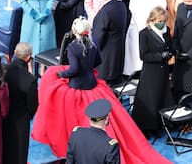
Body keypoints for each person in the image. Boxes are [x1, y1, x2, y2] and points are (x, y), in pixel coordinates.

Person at [31, 16, 172, 164]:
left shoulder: (73, 47)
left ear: (75, 31)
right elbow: (98, 61)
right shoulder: (93, 45)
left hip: (76, 86)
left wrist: (61, 74)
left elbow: (74, 69)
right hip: (92, 84)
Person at [131, 7, 173, 138]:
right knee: (150, 100)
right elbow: (144, 55)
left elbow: (170, 46)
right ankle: (146, 127)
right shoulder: (144, 33)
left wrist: (170, 53)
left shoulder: (166, 31)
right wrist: (161, 56)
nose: (162, 23)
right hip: (150, 73)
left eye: (163, 20)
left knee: (162, 98)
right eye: (159, 20)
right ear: (152, 20)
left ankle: (159, 125)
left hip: (163, 72)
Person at [123, 0, 166, 77]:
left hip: (153, 26)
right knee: (134, 51)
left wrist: (151, 23)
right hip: (136, 26)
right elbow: (133, 10)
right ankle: (133, 72)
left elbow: (161, 9)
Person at [19, 0, 57, 72]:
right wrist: (35, 14)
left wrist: (46, 12)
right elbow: (23, 1)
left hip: (46, 18)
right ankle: (30, 68)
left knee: (46, 45)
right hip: (31, 19)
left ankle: (43, 70)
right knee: (29, 46)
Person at [3, 43, 38, 164]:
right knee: (19, 152)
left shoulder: (3, 69)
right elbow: (33, 105)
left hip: (3, 116)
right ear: (28, 57)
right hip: (21, 120)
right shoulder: (30, 80)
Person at [92, 0, 127, 85]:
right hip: (118, 58)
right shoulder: (121, 6)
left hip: (104, 61)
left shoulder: (105, 12)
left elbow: (98, 38)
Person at [66, 99, 120, 164]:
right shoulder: (110, 145)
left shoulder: (76, 133)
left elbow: (70, 161)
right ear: (106, 120)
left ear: (90, 119)